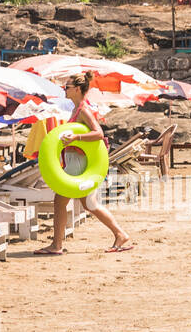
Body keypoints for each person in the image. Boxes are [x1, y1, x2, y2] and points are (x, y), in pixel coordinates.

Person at [34, 71, 133, 255]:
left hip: (78, 162)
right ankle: (120, 234)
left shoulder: (83, 110)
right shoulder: (76, 108)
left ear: (77, 89)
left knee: (62, 202)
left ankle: (57, 245)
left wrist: (76, 137)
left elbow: (99, 133)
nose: (64, 89)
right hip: (76, 160)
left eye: (67, 87)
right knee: (89, 204)